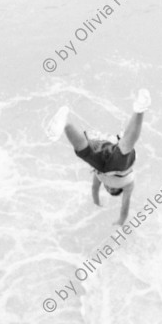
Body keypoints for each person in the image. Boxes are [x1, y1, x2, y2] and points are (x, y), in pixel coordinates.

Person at [46, 89, 151, 225]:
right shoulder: (128, 185)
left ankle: (66, 123)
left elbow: (95, 189)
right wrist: (121, 220)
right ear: (116, 189)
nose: (110, 188)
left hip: (105, 160)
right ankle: (139, 110)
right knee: (125, 144)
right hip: (119, 163)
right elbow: (125, 206)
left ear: (106, 188)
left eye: (109, 189)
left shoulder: (99, 176)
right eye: (113, 190)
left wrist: (96, 202)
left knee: (84, 150)